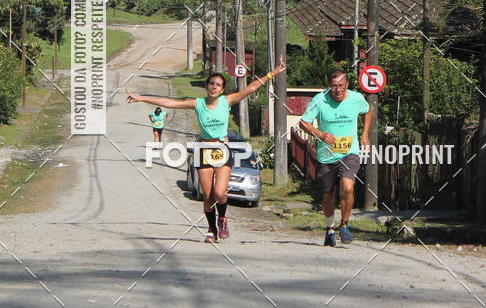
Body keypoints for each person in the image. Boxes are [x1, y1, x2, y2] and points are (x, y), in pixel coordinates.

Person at [126, 56, 286, 243]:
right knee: (208, 195)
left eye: (218, 84)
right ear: (207, 86)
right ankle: (211, 229)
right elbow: (169, 102)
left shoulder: (227, 101)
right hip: (204, 149)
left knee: (220, 193)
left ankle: (223, 219)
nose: (214, 87)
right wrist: (141, 98)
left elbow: (251, 88)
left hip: (221, 149)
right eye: (211, 83)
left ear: (222, 89)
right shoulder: (198, 103)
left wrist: (272, 73)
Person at [298, 67, 371, 247]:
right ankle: (330, 228)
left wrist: (364, 135)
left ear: (347, 85)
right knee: (327, 196)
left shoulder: (356, 98)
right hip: (327, 155)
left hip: (349, 152)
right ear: (329, 86)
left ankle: (344, 225)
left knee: (348, 187)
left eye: (341, 86)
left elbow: (368, 112)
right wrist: (320, 134)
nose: (338, 90)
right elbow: (303, 122)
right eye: (334, 86)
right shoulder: (320, 100)